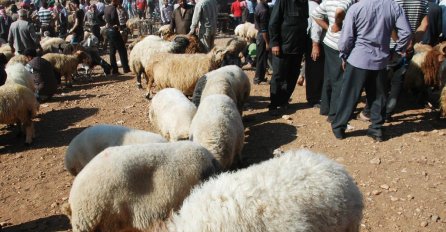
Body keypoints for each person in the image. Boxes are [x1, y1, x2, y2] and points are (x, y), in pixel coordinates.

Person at [331, 0, 411, 141]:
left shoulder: (356, 8)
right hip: (381, 60)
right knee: (378, 97)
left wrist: (344, 54)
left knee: (349, 95)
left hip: (358, 59)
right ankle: (376, 129)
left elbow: (347, 37)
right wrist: (397, 50)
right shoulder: (394, 6)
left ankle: (339, 128)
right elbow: (406, 32)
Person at [311, 0, 354, 121]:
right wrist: (337, 24)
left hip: (329, 42)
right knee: (339, 80)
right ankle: (334, 114)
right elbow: (340, 11)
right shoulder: (347, 1)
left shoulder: (328, 0)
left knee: (329, 76)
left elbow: (315, 14)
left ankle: (325, 108)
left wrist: (328, 27)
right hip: (339, 44)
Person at [267, 0, 308, 116]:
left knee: (293, 75)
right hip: (283, 47)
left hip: (298, 48)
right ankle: (274, 105)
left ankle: (284, 101)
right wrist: (274, 43)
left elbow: (305, 23)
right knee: (279, 76)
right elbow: (273, 23)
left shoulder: (304, 3)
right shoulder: (283, 1)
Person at [304, 0, 324, 108]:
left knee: (312, 69)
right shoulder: (315, 6)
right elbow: (316, 26)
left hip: (311, 40)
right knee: (315, 70)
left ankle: (313, 96)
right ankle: (314, 97)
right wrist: (315, 45)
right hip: (314, 41)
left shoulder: (308, 4)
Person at [104, 0, 131, 74]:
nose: (119, 2)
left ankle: (114, 70)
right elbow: (113, 17)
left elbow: (99, 16)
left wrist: (107, 23)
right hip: (114, 31)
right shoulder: (113, 8)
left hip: (108, 31)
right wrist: (116, 25)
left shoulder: (106, 8)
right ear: (114, 1)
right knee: (122, 50)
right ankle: (126, 68)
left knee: (112, 52)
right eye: (118, 1)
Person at [252, 0, 269, 85]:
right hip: (263, 36)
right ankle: (258, 79)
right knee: (261, 58)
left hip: (260, 35)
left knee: (262, 57)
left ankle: (260, 77)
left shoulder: (259, 6)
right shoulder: (263, 10)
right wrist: (267, 42)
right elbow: (264, 29)